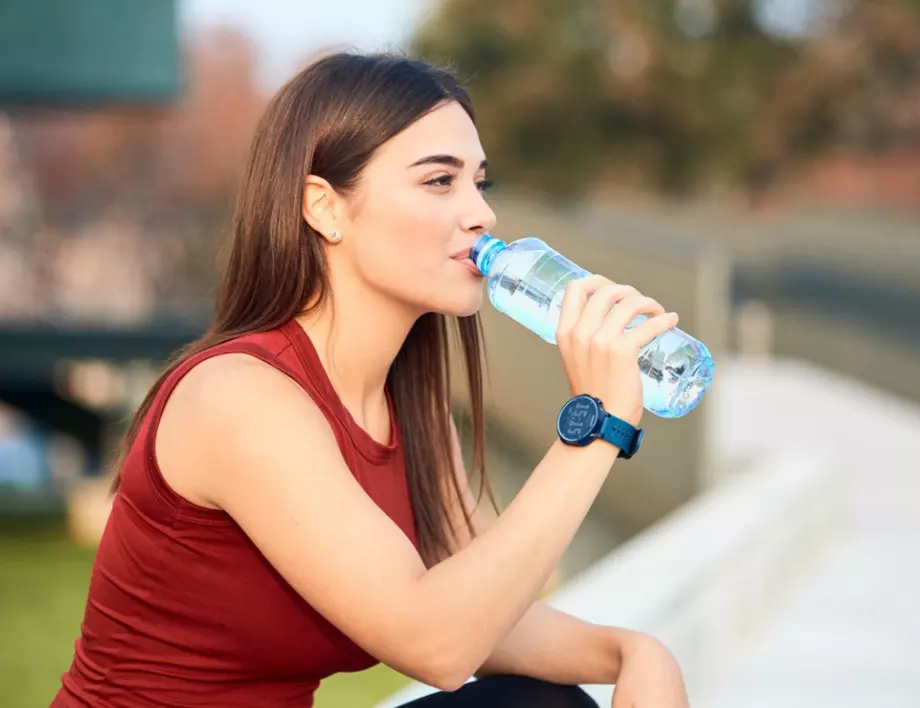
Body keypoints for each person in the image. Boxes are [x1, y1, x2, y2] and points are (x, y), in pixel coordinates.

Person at [53, 52, 689, 707]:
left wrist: (632, 653)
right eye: (439, 181)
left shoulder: (412, 410)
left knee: (545, 705)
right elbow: (438, 645)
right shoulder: (239, 398)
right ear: (324, 207)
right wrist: (596, 425)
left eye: (480, 184)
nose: (481, 214)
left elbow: (483, 614)